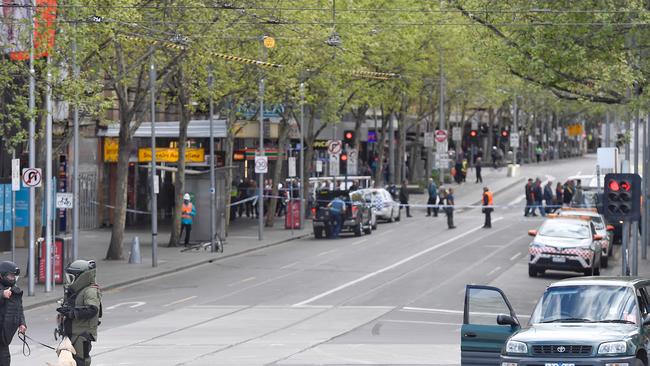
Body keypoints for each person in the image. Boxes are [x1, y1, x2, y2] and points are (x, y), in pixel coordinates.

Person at [57, 260, 102, 366]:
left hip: (81, 335)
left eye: (71, 277)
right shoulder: (76, 290)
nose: (69, 281)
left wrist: (72, 313)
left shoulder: (90, 291)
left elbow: (92, 310)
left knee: (80, 361)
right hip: (72, 333)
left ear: (81, 277)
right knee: (69, 361)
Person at [0, 261, 26, 366]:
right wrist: (1, 294)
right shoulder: (4, 291)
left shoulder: (15, 290)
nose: (13, 278)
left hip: (4, 335)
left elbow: (19, 308)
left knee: (5, 361)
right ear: (1, 275)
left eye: (14, 276)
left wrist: (22, 323)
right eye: (10, 276)